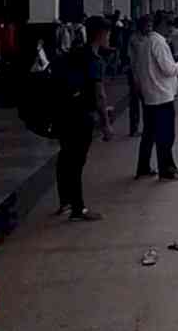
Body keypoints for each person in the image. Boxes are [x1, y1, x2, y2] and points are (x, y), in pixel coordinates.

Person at [55, 16, 113, 221]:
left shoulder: (74, 53)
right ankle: (79, 208)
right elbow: (99, 94)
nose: (109, 38)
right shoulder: (94, 60)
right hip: (82, 116)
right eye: (108, 34)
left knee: (65, 158)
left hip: (64, 112)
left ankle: (65, 202)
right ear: (100, 34)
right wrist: (105, 124)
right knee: (77, 162)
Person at [134, 12, 178, 181]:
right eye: (169, 24)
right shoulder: (159, 42)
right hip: (162, 96)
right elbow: (168, 69)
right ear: (161, 24)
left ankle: (143, 167)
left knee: (149, 134)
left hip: (149, 96)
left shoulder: (145, 42)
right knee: (166, 135)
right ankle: (166, 169)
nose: (171, 28)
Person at [127, 16, 150, 137]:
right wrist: (135, 78)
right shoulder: (134, 39)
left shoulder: (147, 37)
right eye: (147, 25)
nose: (149, 28)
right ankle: (134, 128)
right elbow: (132, 60)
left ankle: (147, 126)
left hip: (144, 73)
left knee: (146, 102)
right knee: (135, 102)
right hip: (135, 74)